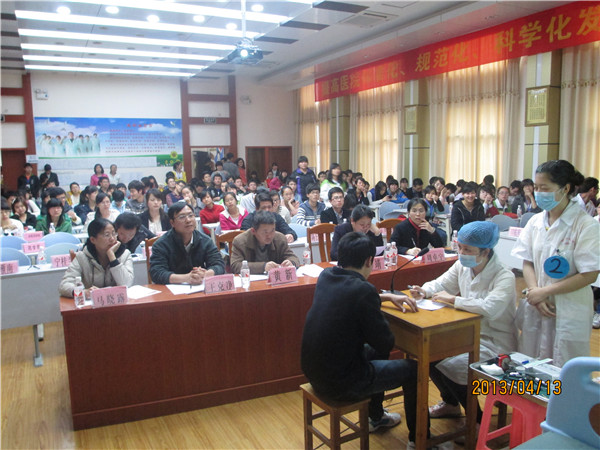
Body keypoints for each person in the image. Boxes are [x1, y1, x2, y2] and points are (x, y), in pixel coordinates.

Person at [301, 232, 435, 443]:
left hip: (315, 373)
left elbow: (349, 296)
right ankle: (421, 442)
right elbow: (386, 342)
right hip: (341, 383)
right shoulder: (363, 290)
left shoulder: (326, 276)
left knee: (375, 352)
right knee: (414, 370)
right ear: (369, 261)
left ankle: (377, 417)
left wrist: (383, 297)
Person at [410, 221, 517, 424]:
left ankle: (476, 419)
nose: (461, 253)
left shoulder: (504, 275)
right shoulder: (463, 265)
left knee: (454, 368)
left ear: (486, 252)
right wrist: (424, 290)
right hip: (468, 335)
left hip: (495, 343)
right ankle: (450, 403)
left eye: (467, 249)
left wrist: (454, 300)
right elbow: (441, 283)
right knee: (429, 355)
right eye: (459, 247)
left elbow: (490, 308)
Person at [511, 160, 600, 367]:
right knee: (531, 363)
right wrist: (535, 291)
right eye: (536, 187)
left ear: (565, 188)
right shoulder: (535, 222)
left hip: (569, 307)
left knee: (565, 367)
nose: (538, 193)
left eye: (544, 188)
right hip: (537, 303)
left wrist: (544, 292)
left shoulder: (585, 225)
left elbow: (589, 274)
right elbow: (528, 261)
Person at [149, 203, 225, 285]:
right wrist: (187, 278)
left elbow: (219, 265)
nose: (188, 220)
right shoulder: (161, 244)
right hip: (172, 290)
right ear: (172, 223)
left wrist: (204, 274)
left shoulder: (205, 240)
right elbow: (156, 273)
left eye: (190, 215)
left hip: (199, 288)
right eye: (182, 217)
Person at [59, 218, 134, 297]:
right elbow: (64, 285)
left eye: (114, 233)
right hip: (92, 303)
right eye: (107, 235)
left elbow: (126, 283)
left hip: (118, 302)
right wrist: (84, 292)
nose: (112, 239)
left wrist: (112, 257)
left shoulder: (125, 254)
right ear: (93, 240)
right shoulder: (82, 257)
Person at [230, 211, 300, 274]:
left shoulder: (280, 238)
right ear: (253, 231)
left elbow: (293, 257)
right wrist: (263, 267)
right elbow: (235, 265)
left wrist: (291, 262)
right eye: (265, 232)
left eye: (272, 230)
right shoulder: (240, 241)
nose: (269, 236)